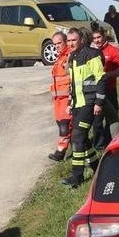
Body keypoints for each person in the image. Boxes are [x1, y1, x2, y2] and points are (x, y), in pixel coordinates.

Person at [61, 28, 106, 188]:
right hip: (78, 105)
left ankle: (77, 176)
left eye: (74, 40)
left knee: (77, 137)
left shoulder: (91, 54)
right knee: (84, 139)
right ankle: (98, 168)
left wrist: (99, 103)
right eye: (69, 40)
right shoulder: (73, 56)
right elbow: (74, 84)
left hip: (89, 104)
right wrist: (70, 103)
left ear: (81, 40)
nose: (71, 43)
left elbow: (101, 79)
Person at [90, 28, 119, 149]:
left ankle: (112, 142)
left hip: (109, 89)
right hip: (96, 90)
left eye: (98, 37)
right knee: (97, 118)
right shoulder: (91, 52)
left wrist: (108, 75)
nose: (97, 40)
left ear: (104, 36)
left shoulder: (113, 50)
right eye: (94, 38)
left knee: (112, 116)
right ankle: (99, 145)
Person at [48, 31, 72, 162]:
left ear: (65, 41)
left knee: (65, 126)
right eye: (55, 44)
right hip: (58, 99)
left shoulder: (69, 56)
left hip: (66, 97)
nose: (57, 46)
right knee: (61, 124)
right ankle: (77, 150)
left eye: (59, 43)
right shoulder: (60, 57)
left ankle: (60, 152)